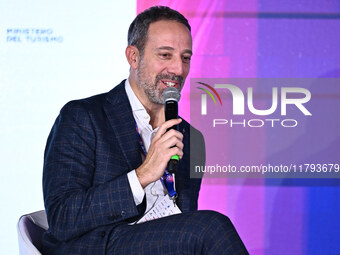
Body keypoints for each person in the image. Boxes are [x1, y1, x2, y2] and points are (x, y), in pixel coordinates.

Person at [42, 6, 248, 254]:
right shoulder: (83, 116)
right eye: (165, 55)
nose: (178, 70)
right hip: (98, 245)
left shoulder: (190, 137)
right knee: (212, 227)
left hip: (160, 244)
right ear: (133, 57)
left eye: (185, 58)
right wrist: (143, 175)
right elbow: (62, 218)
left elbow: (183, 221)